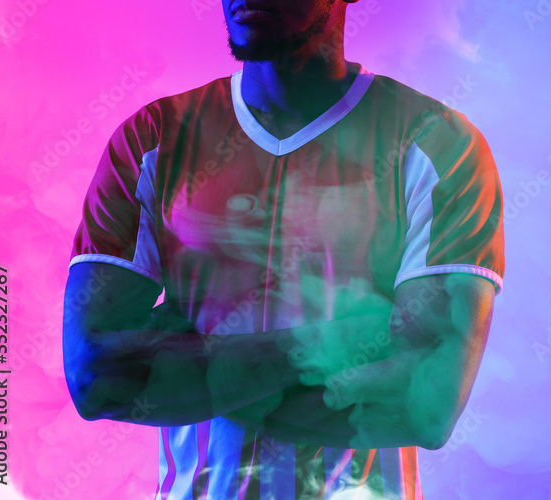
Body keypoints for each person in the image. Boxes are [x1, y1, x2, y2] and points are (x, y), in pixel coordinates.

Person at [61, 0, 505, 498]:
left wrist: (191, 364)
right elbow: (96, 377)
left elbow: (424, 403)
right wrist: (329, 343)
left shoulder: (440, 146)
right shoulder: (153, 139)